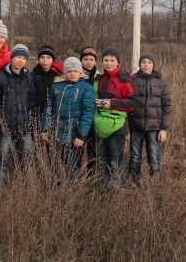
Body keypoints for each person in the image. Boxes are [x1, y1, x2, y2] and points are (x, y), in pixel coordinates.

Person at [40, 57, 96, 180]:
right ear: (65, 72)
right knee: (54, 169)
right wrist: (44, 128)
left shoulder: (86, 88)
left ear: (80, 72)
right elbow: (48, 108)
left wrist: (81, 136)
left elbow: (88, 113)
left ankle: (71, 195)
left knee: (72, 169)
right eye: (70, 71)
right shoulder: (56, 86)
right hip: (55, 134)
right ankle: (55, 194)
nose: (73, 74)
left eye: (75, 71)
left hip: (74, 137)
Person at [0, 44, 37, 185]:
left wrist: (29, 119)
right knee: (3, 160)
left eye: (24, 58)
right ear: (12, 58)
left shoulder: (28, 76)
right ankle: (1, 192)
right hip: (5, 126)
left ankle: (28, 189)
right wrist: (1, 119)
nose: (21, 60)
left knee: (28, 159)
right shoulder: (0, 76)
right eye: (18, 57)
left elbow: (32, 99)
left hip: (24, 126)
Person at [129, 52, 172, 184]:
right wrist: (126, 129)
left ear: (153, 64)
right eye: (143, 62)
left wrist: (164, 128)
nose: (146, 65)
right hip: (135, 126)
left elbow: (167, 107)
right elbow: (127, 105)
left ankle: (155, 186)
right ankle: (134, 185)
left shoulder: (161, 83)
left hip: (154, 128)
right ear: (139, 64)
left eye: (149, 62)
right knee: (135, 157)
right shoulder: (133, 81)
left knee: (153, 158)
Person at [94, 47, 134, 188]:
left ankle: (118, 193)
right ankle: (106, 192)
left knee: (115, 162)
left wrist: (111, 104)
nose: (109, 63)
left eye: (112, 60)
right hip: (100, 126)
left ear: (118, 62)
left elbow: (133, 103)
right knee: (102, 161)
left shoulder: (124, 79)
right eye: (106, 60)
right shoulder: (100, 79)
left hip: (118, 128)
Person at [79, 46, 101, 178]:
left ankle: (91, 178)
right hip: (80, 119)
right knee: (78, 151)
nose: (88, 62)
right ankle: (74, 179)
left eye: (91, 59)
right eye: (85, 59)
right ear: (81, 61)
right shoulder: (77, 75)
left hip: (95, 119)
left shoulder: (99, 77)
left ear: (95, 61)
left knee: (93, 151)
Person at [32, 45, 64, 123]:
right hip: (35, 117)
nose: (45, 61)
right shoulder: (31, 76)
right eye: (42, 57)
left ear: (53, 60)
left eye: (48, 57)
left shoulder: (58, 76)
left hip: (53, 117)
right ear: (39, 59)